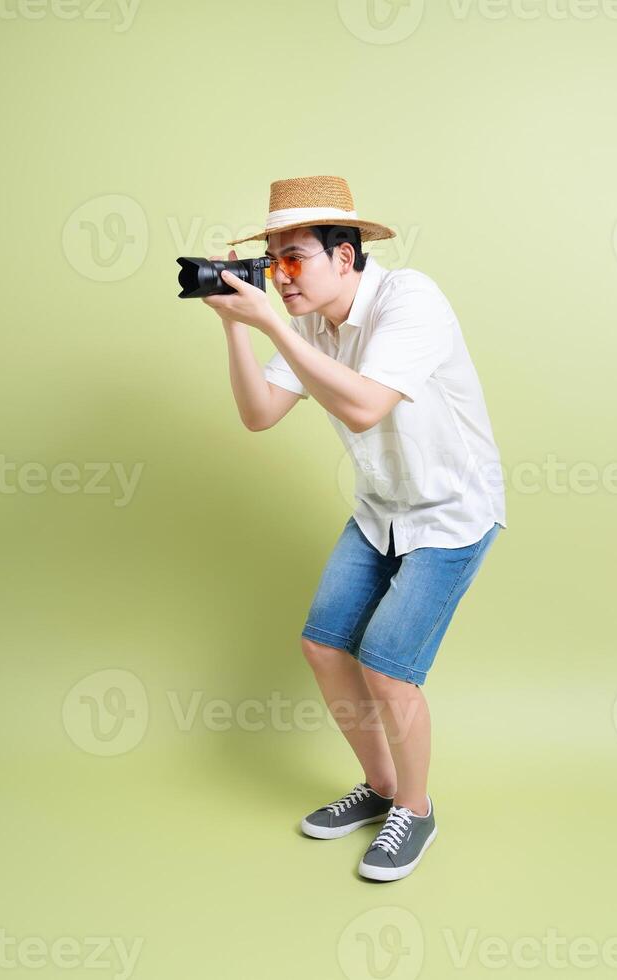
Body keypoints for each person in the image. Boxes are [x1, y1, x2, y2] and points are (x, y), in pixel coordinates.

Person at [202, 174, 507, 881]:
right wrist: (233, 329)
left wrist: (271, 322)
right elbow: (259, 414)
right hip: (381, 508)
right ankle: (380, 789)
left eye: (293, 258)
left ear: (345, 257)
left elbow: (366, 406)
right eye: (270, 262)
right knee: (322, 645)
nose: (279, 277)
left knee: (386, 666)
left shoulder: (411, 300)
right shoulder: (308, 322)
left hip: (450, 512)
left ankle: (416, 809)